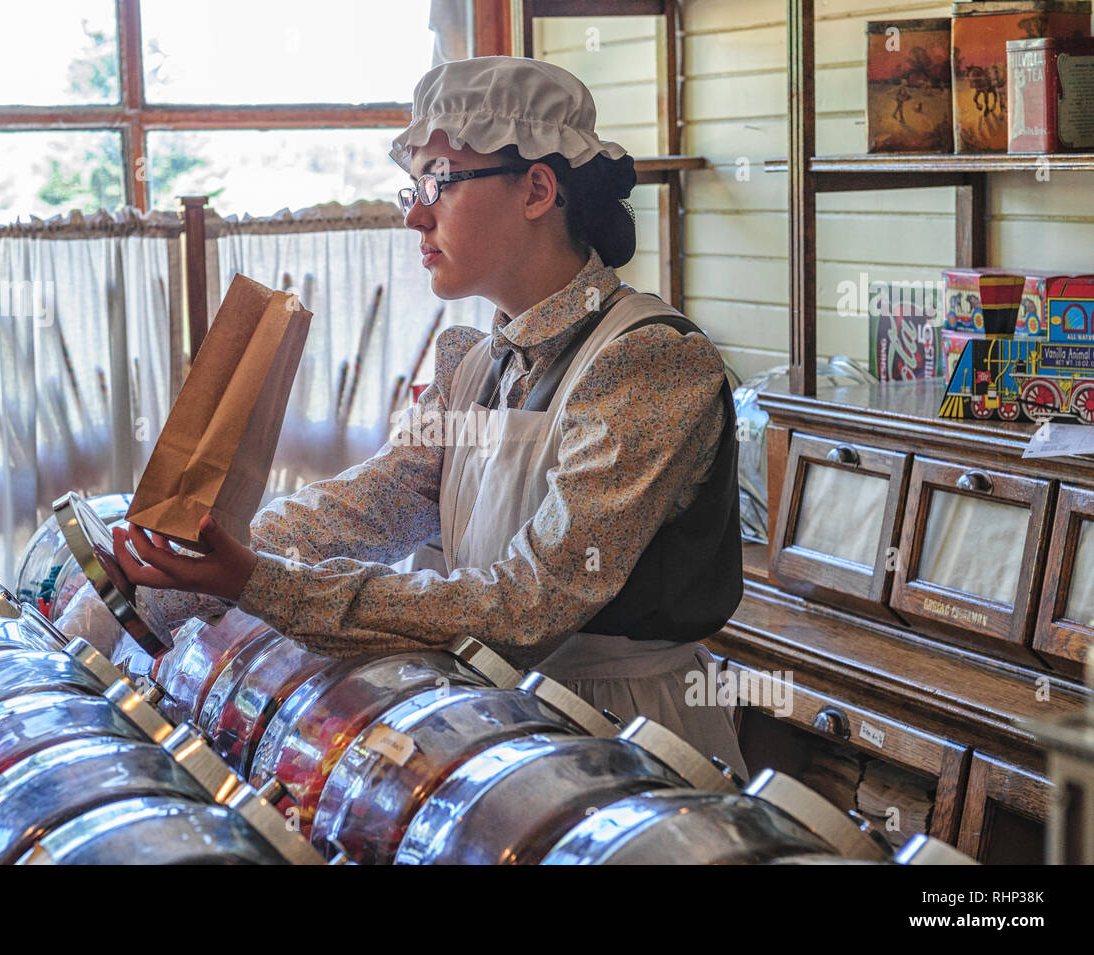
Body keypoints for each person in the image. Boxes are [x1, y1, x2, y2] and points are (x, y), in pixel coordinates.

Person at [103, 56, 748, 779]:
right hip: (498, 721)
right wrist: (185, 559)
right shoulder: (475, 364)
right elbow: (369, 508)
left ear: (538, 188)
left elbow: (526, 606)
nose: (413, 213)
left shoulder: (648, 363)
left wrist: (260, 582)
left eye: (439, 181)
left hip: (624, 743)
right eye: (413, 186)